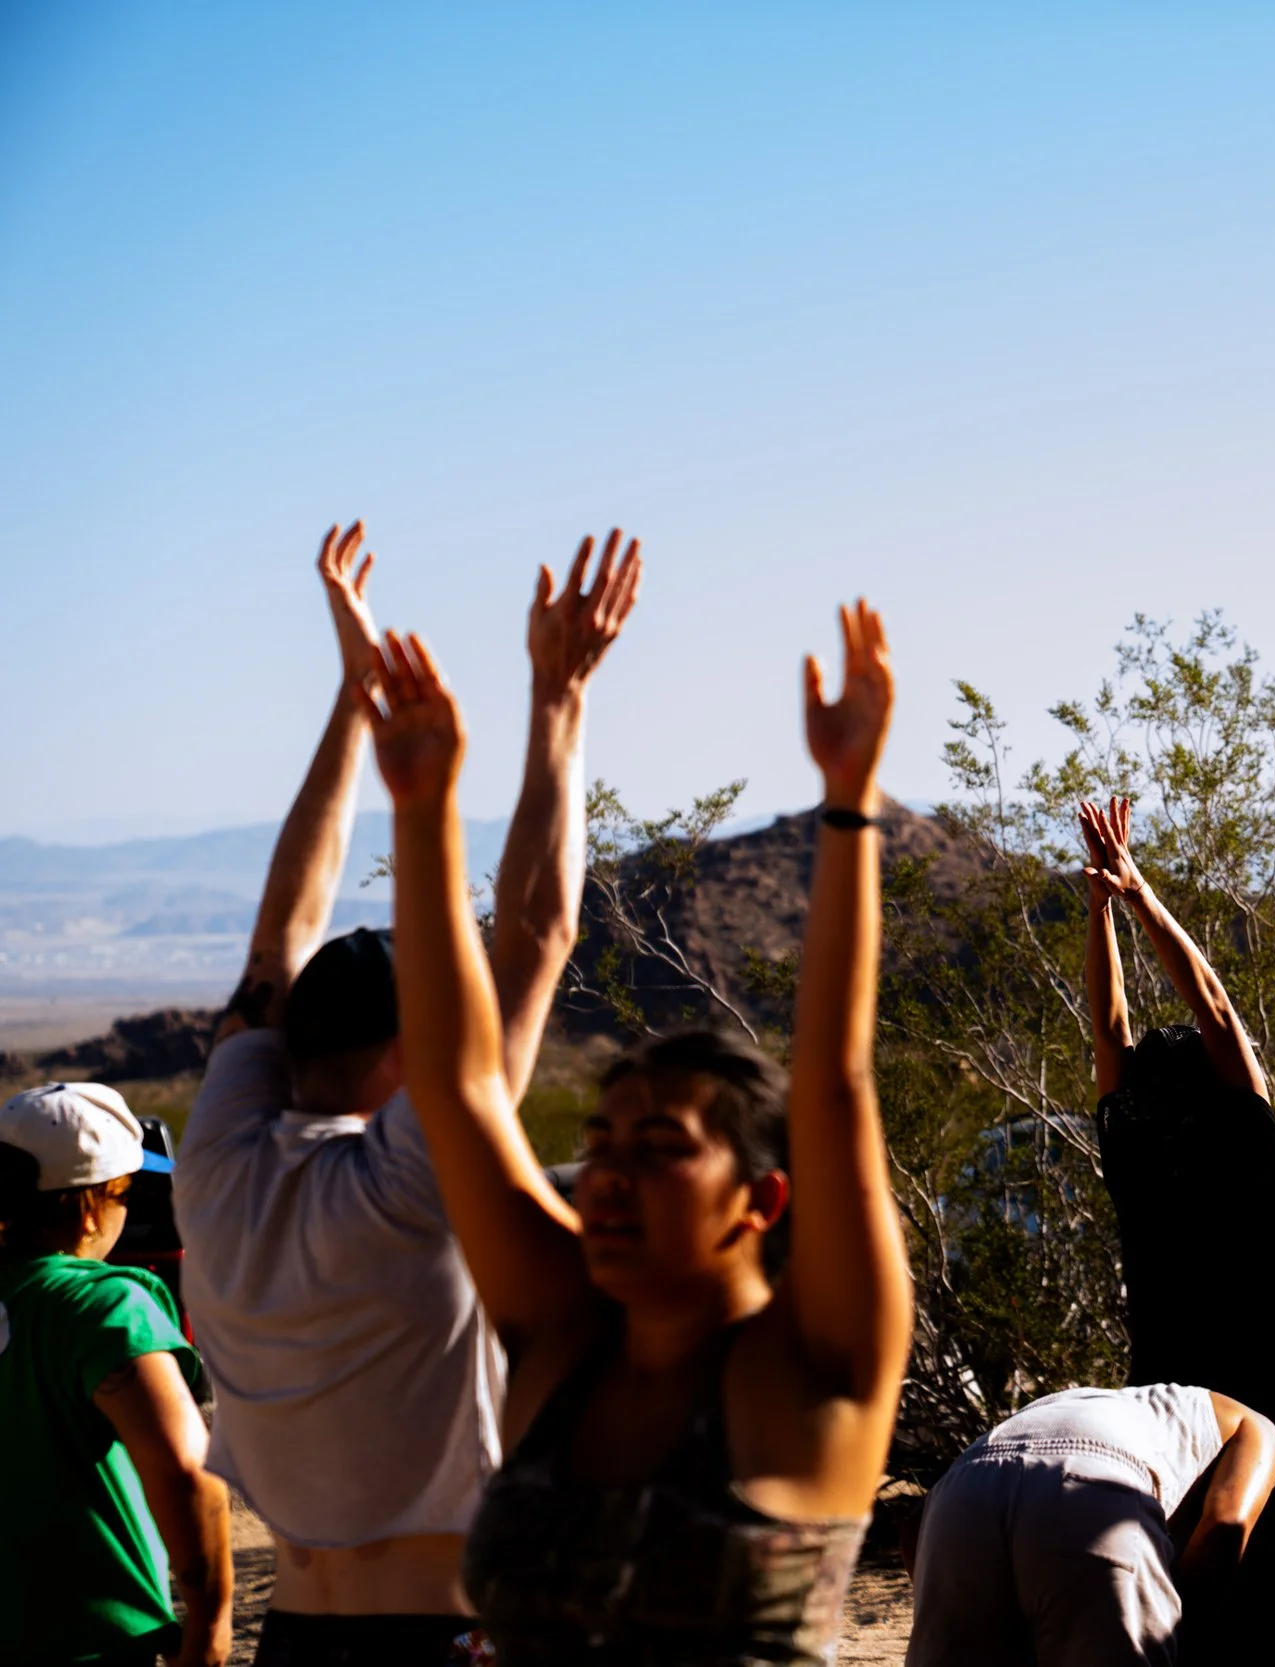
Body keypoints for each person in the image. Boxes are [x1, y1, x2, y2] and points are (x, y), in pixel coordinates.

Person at [356, 602, 913, 1663]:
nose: (608, 1175)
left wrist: (848, 806)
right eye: (603, 1144)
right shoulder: (562, 1332)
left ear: (763, 1198)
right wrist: (422, 813)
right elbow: (459, 1087)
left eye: (660, 1150)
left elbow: (836, 1087)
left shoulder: (809, 1367)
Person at [171, 525, 638, 1666]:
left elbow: (279, 934)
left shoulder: (217, 1159)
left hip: (297, 1635)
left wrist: (350, 698)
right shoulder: (420, 1175)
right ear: (409, 1048)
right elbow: (538, 932)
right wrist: (560, 700)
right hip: (445, 1632)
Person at [1079, 794, 1275, 1664]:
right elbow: (1212, 1003)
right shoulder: (1256, 1157)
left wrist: (1100, 908)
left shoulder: (1140, 1169)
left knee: (1165, 1643)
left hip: (1160, 1434)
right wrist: (1137, 893)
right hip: (1265, 1438)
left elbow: (1108, 1028)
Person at [2, 1082, 232, 1667]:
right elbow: (186, 1471)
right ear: (89, 1208)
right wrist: (210, 1626)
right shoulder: (103, 1308)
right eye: (129, 1193)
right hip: (94, 1640)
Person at [902, 1384, 1275, 1666]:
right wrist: (1183, 1642)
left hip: (961, 1492)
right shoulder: (1257, 1428)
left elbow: (913, 1529)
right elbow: (1226, 1523)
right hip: (1094, 1482)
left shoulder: (1122, 1407)